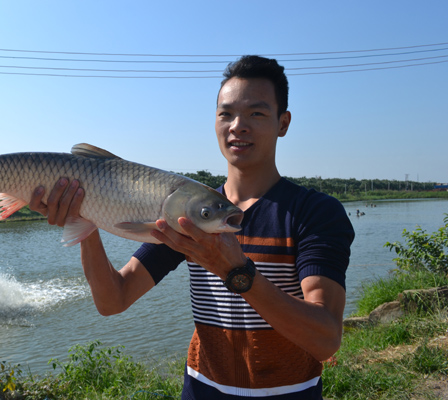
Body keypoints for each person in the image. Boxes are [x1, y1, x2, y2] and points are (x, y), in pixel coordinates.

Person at [29, 55, 355, 400]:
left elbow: (325, 339)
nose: (237, 126)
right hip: (201, 391)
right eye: (226, 114)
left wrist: (237, 272)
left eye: (256, 114)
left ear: (283, 123)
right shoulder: (185, 210)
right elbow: (114, 299)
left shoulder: (315, 213)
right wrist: (87, 219)